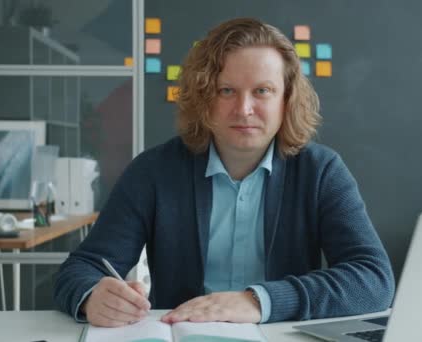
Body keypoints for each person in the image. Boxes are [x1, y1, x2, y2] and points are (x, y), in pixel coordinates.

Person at [54, 17, 395, 327]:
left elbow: (373, 281)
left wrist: (258, 302)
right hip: (181, 334)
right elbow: (79, 270)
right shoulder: (153, 171)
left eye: (262, 91)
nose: (244, 109)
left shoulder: (321, 171)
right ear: (204, 97)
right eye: (226, 90)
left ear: (286, 99)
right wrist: (91, 297)